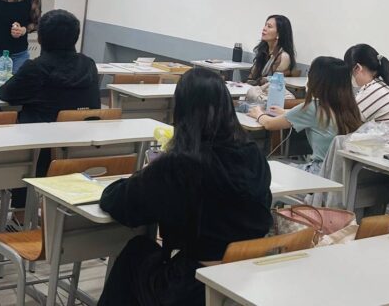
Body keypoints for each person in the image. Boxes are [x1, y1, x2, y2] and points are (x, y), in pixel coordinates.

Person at [98, 68, 272, 306]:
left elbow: (120, 203)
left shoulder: (182, 164)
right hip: (244, 282)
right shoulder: (254, 155)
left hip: (193, 288)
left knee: (136, 252)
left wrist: (144, 175)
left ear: (181, 111)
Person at [0, 9, 100, 215]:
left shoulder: (36, 67)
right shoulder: (88, 65)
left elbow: (7, 93)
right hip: (80, 148)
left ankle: (20, 214)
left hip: (39, 153)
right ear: (76, 37)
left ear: (41, 38)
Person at [247, 56, 362, 175]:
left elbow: (270, 124)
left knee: (266, 167)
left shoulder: (314, 107)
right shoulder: (351, 107)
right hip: (342, 173)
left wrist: (258, 113)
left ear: (317, 79)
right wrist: (285, 113)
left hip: (319, 172)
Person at [344, 44, 389, 141]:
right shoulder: (381, 84)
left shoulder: (373, 91)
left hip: (388, 148)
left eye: (349, 72)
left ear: (357, 68)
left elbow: (348, 125)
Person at [246, 14, 296, 85]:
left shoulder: (283, 57)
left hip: (267, 90)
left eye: (269, 26)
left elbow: (274, 83)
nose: (264, 28)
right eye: (265, 25)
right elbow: (252, 76)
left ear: (279, 34)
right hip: (255, 88)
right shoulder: (263, 50)